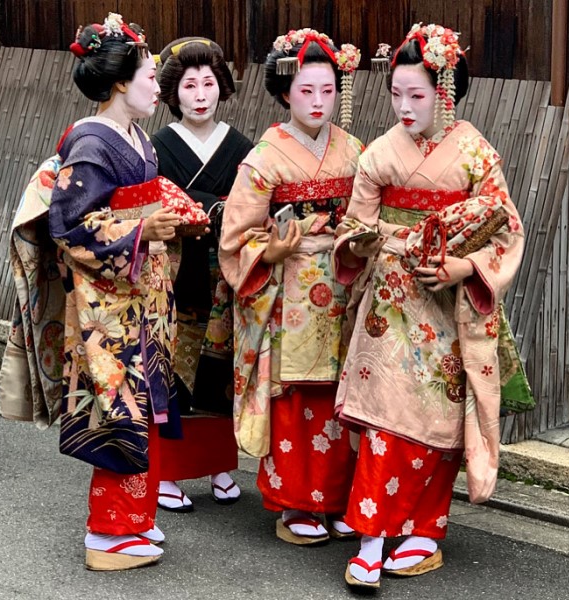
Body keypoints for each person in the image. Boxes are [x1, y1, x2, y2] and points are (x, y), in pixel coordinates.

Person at [333, 24, 525, 588]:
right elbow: (355, 226)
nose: (403, 106)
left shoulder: (474, 151)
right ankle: (370, 536)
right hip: (391, 301)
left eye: (416, 95)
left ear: (445, 92)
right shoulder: (378, 154)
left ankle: (423, 531)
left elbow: (505, 229)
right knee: (385, 422)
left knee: (438, 424)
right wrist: (359, 242)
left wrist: (464, 268)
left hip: (447, 302)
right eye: (396, 94)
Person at [48, 13, 183, 570]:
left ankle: (135, 522)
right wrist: (138, 231)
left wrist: (169, 218)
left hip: (144, 297)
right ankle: (106, 534)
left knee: (146, 407)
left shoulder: (137, 138)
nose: (159, 84)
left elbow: (145, 198)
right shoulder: (91, 142)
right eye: (152, 74)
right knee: (118, 412)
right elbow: (70, 227)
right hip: (110, 305)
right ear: (123, 82)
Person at [219, 28, 363, 545]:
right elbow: (236, 235)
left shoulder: (354, 150)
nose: (318, 101)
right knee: (296, 398)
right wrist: (271, 251)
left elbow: (367, 212)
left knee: (343, 398)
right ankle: (294, 504)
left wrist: (355, 236)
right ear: (285, 93)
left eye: (327, 90)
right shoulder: (264, 158)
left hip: (344, 286)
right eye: (306, 90)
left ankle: (343, 498)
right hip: (287, 291)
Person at [151, 37, 253, 511]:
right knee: (173, 370)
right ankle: (170, 473)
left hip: (227, 275)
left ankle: (219, 466)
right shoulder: (157, 147)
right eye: (189, 84)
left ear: (221, 88)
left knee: (223, 369)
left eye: (208, 83)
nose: (199, 94)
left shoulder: (242, 147)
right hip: (177, 272)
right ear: (173, 93)